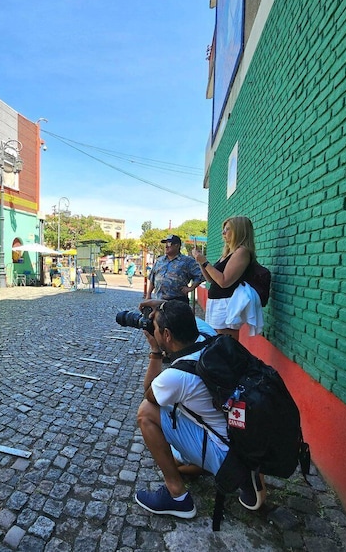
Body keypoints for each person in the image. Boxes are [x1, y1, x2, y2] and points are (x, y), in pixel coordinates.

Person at [133, 299, 265, 519]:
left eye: (154, 329)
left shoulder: (176, 376)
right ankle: (235, 469)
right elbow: (183, 316)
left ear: (166, 335)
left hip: (224, 451)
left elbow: (149, 393)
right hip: (241, 438)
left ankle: (177, 497)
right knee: (177, 460)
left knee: (146, 412)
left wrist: (155, 351)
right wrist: (161, 307)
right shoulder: (206, 333)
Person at [192, 216, 256, 341]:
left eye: (227, 229)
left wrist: (204, 262)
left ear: (238, 231)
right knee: (215, 344)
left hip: (226, 304)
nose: (223, 233)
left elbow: (224, 281)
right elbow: (211, 279)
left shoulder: (242, 252)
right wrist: (200, 261)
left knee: (225, 346)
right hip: (216, 303)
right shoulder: (229, 252)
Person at [145, 234, 204, 304]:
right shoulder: (159, 261)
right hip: (159, 301)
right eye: (165, 244)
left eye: (169, 243)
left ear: (177, 245)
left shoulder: (187, 261)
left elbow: (200, 275)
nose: (166, 246)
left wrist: (191, 288)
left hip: (178, 303)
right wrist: (148, 295)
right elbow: (152, 278)